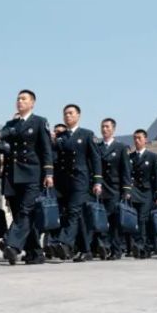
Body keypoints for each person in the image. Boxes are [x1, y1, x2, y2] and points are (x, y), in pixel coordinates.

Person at [0, 89, 54, 265]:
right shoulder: (11, 123)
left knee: (26, 211)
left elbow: (46, 149)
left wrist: (48, 173)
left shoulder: (40, 122)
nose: (20, 101)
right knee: (21, 213)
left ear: (32, 103)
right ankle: (35, 252)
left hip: (32, 174)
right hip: (12, 175)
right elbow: (4, 133)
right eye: (18, 99)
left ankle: (12, 246)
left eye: (24, 99)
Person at [50, 104, 103, 262]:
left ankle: (63, 242)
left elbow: (95, 158)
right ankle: (86, 250)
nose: (67, 116)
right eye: (65, 113)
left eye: (71, 113)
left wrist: (97, 181)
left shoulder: (87, 134)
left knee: (74, 211)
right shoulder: (61, 137)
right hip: (64, 182)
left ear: (78, 115)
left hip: (81, 180)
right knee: (75, 216)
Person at [96, 118, 132, 260]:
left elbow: (126, 170)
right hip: (99, 187)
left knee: (114, 219)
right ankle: (103, 246)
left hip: (114, 188)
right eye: (102, 127)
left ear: (113, 129)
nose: (104, 129)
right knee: (101, 218)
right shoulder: (97, 146)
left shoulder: (120, 147)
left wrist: (127, 189)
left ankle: (116, 249)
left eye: (107, 127)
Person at [128, 129, 157, 259]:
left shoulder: (153, 156)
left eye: (139, 138)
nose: (137, 140)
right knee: (135, 219)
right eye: (135, 138)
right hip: (133, 191)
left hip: (147, 191)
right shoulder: (130, 157)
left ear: (145, 140)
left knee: (143, 218)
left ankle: (142, 245)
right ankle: (140, 245)